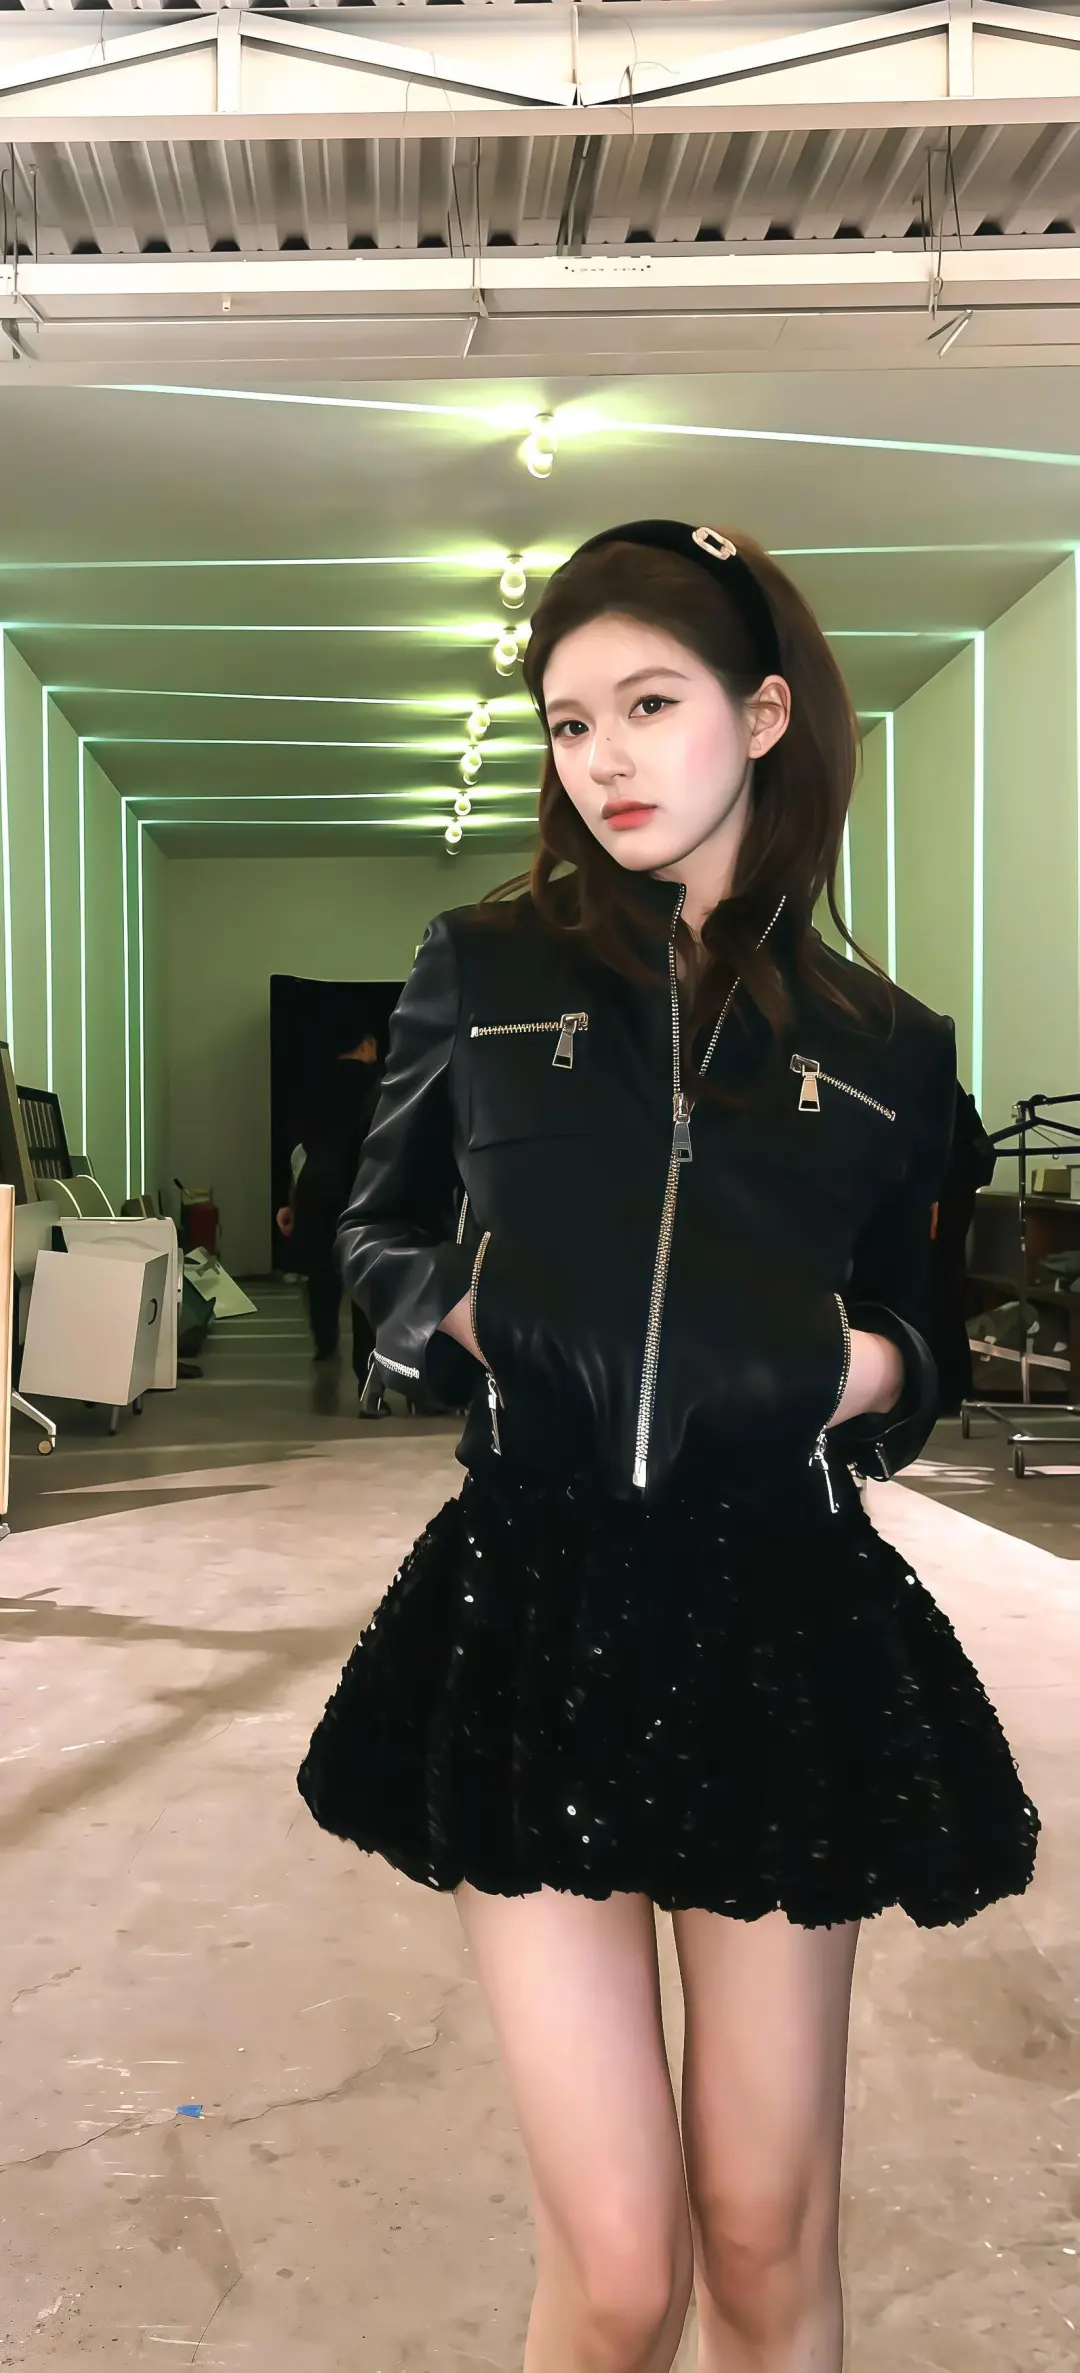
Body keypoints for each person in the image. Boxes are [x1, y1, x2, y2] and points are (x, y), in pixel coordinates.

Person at [297, 521, 1040, 2373]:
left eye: (648, 704)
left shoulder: (889, 1044)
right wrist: (469, 1313)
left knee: (765, 2237)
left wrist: (852, 1367)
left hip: (774, 1610)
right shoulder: (483, 967)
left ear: (763, 713)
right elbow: (370, 1227)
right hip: (534, 1598)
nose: (602, 759)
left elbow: (925, 1330)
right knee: (622, 2269)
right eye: (568, 723)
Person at [276, 1030, 385, 1415]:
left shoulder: (313, 1086)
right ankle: (367, 1380)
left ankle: (325, 1345)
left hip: (316, 1194)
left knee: (321, 1278)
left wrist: (292, 1200)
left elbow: (299, 1149)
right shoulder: (379, 1087)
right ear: (366, 1046)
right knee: (364, 1291)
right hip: (361, 1193)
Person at [929, 1084, 997, 1415]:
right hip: (946, 1201)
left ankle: (940, 1391)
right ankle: (947, 1391)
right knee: (943, 1293)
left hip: (939, 1203)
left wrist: (935, 1196)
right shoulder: (941, 1082)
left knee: (935, 1293)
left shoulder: (930, 1081)